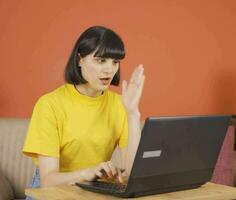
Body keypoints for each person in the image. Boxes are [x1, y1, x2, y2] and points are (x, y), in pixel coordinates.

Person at [22, 26, 145, 199]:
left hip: (92, 191)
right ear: (80, 60)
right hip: (53, 192)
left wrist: (132, 113)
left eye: (115, 62)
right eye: (101, 60)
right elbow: (48, 181)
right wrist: (87, 173)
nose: (109, 70)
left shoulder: (119, 105)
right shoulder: (49, 104)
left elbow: (131, 175)